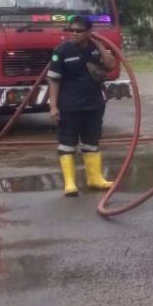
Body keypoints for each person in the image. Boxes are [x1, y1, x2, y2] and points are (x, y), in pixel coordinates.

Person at [47, 15, 116, 197]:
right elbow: (53, 80)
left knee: (92, 142)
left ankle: (95, 178)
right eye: (71, 30)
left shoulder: (94, 49)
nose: (74, 33)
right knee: (67, 144)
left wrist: (100, 45)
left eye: (79, 30)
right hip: (69, 106)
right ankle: (70, 184)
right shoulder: (61, 51)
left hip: (93, 104)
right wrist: (53, 106)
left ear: (89, 32)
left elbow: (110, 65)